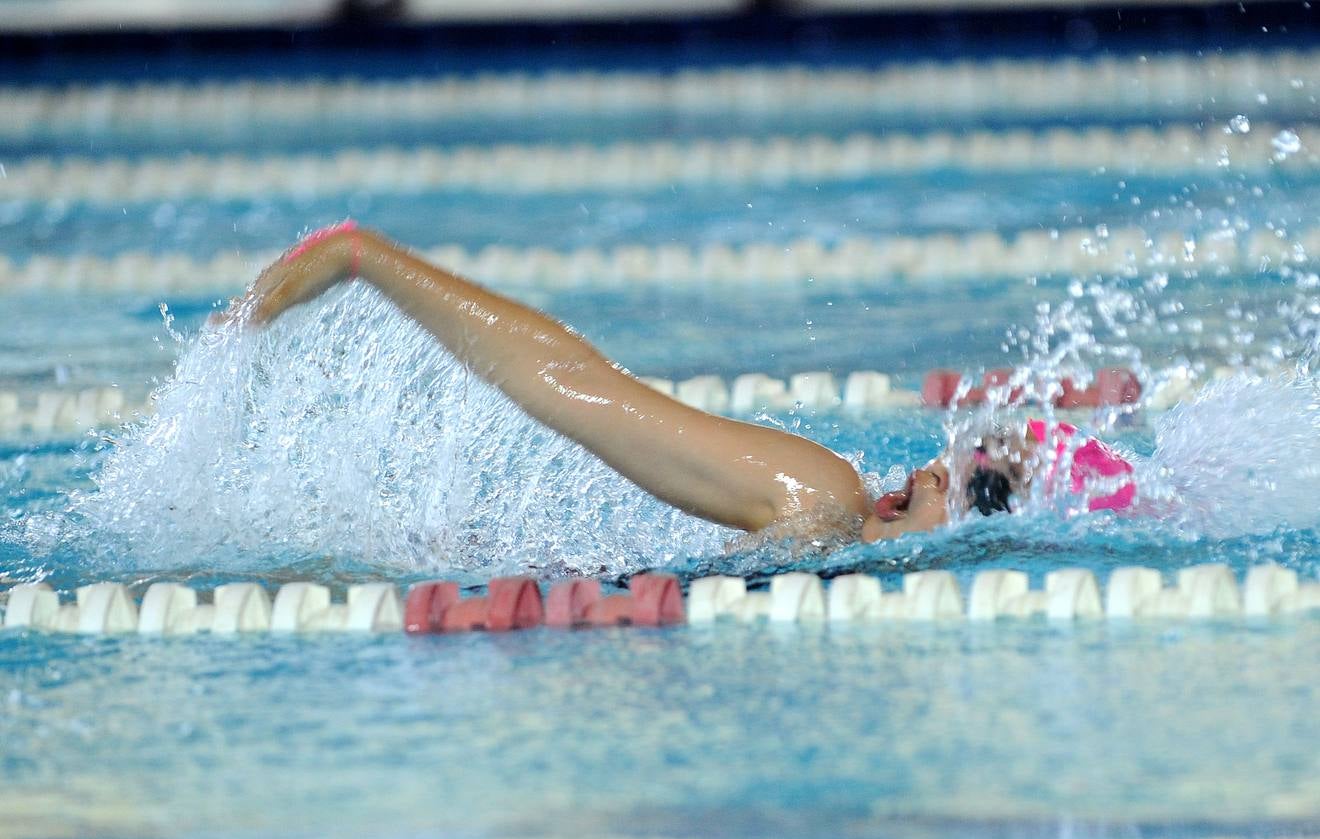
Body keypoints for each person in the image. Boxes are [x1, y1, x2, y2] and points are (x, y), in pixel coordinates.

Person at [220, 222, 1131, 544]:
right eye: (953, 456)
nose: (932, 471)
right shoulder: (820, 499)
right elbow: (581, 389)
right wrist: (366, 259)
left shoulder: (832, 536)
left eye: (974, 483)